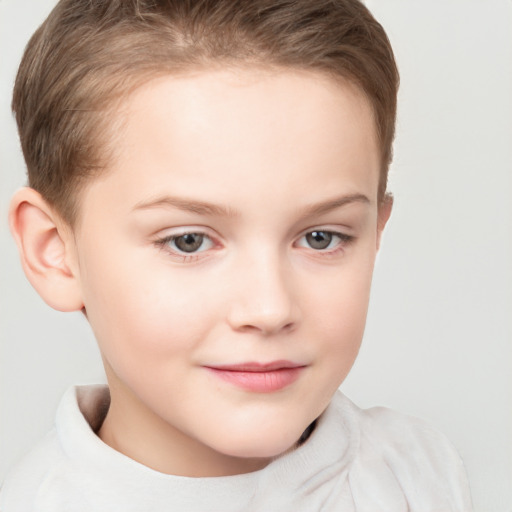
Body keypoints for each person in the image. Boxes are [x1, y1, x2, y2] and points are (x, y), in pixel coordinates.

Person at [0, 0, 473, 510]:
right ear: (55, 251)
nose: (270, 309)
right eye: (189, 241)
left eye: (321, 237)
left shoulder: (420, 473)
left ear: (375, 233)